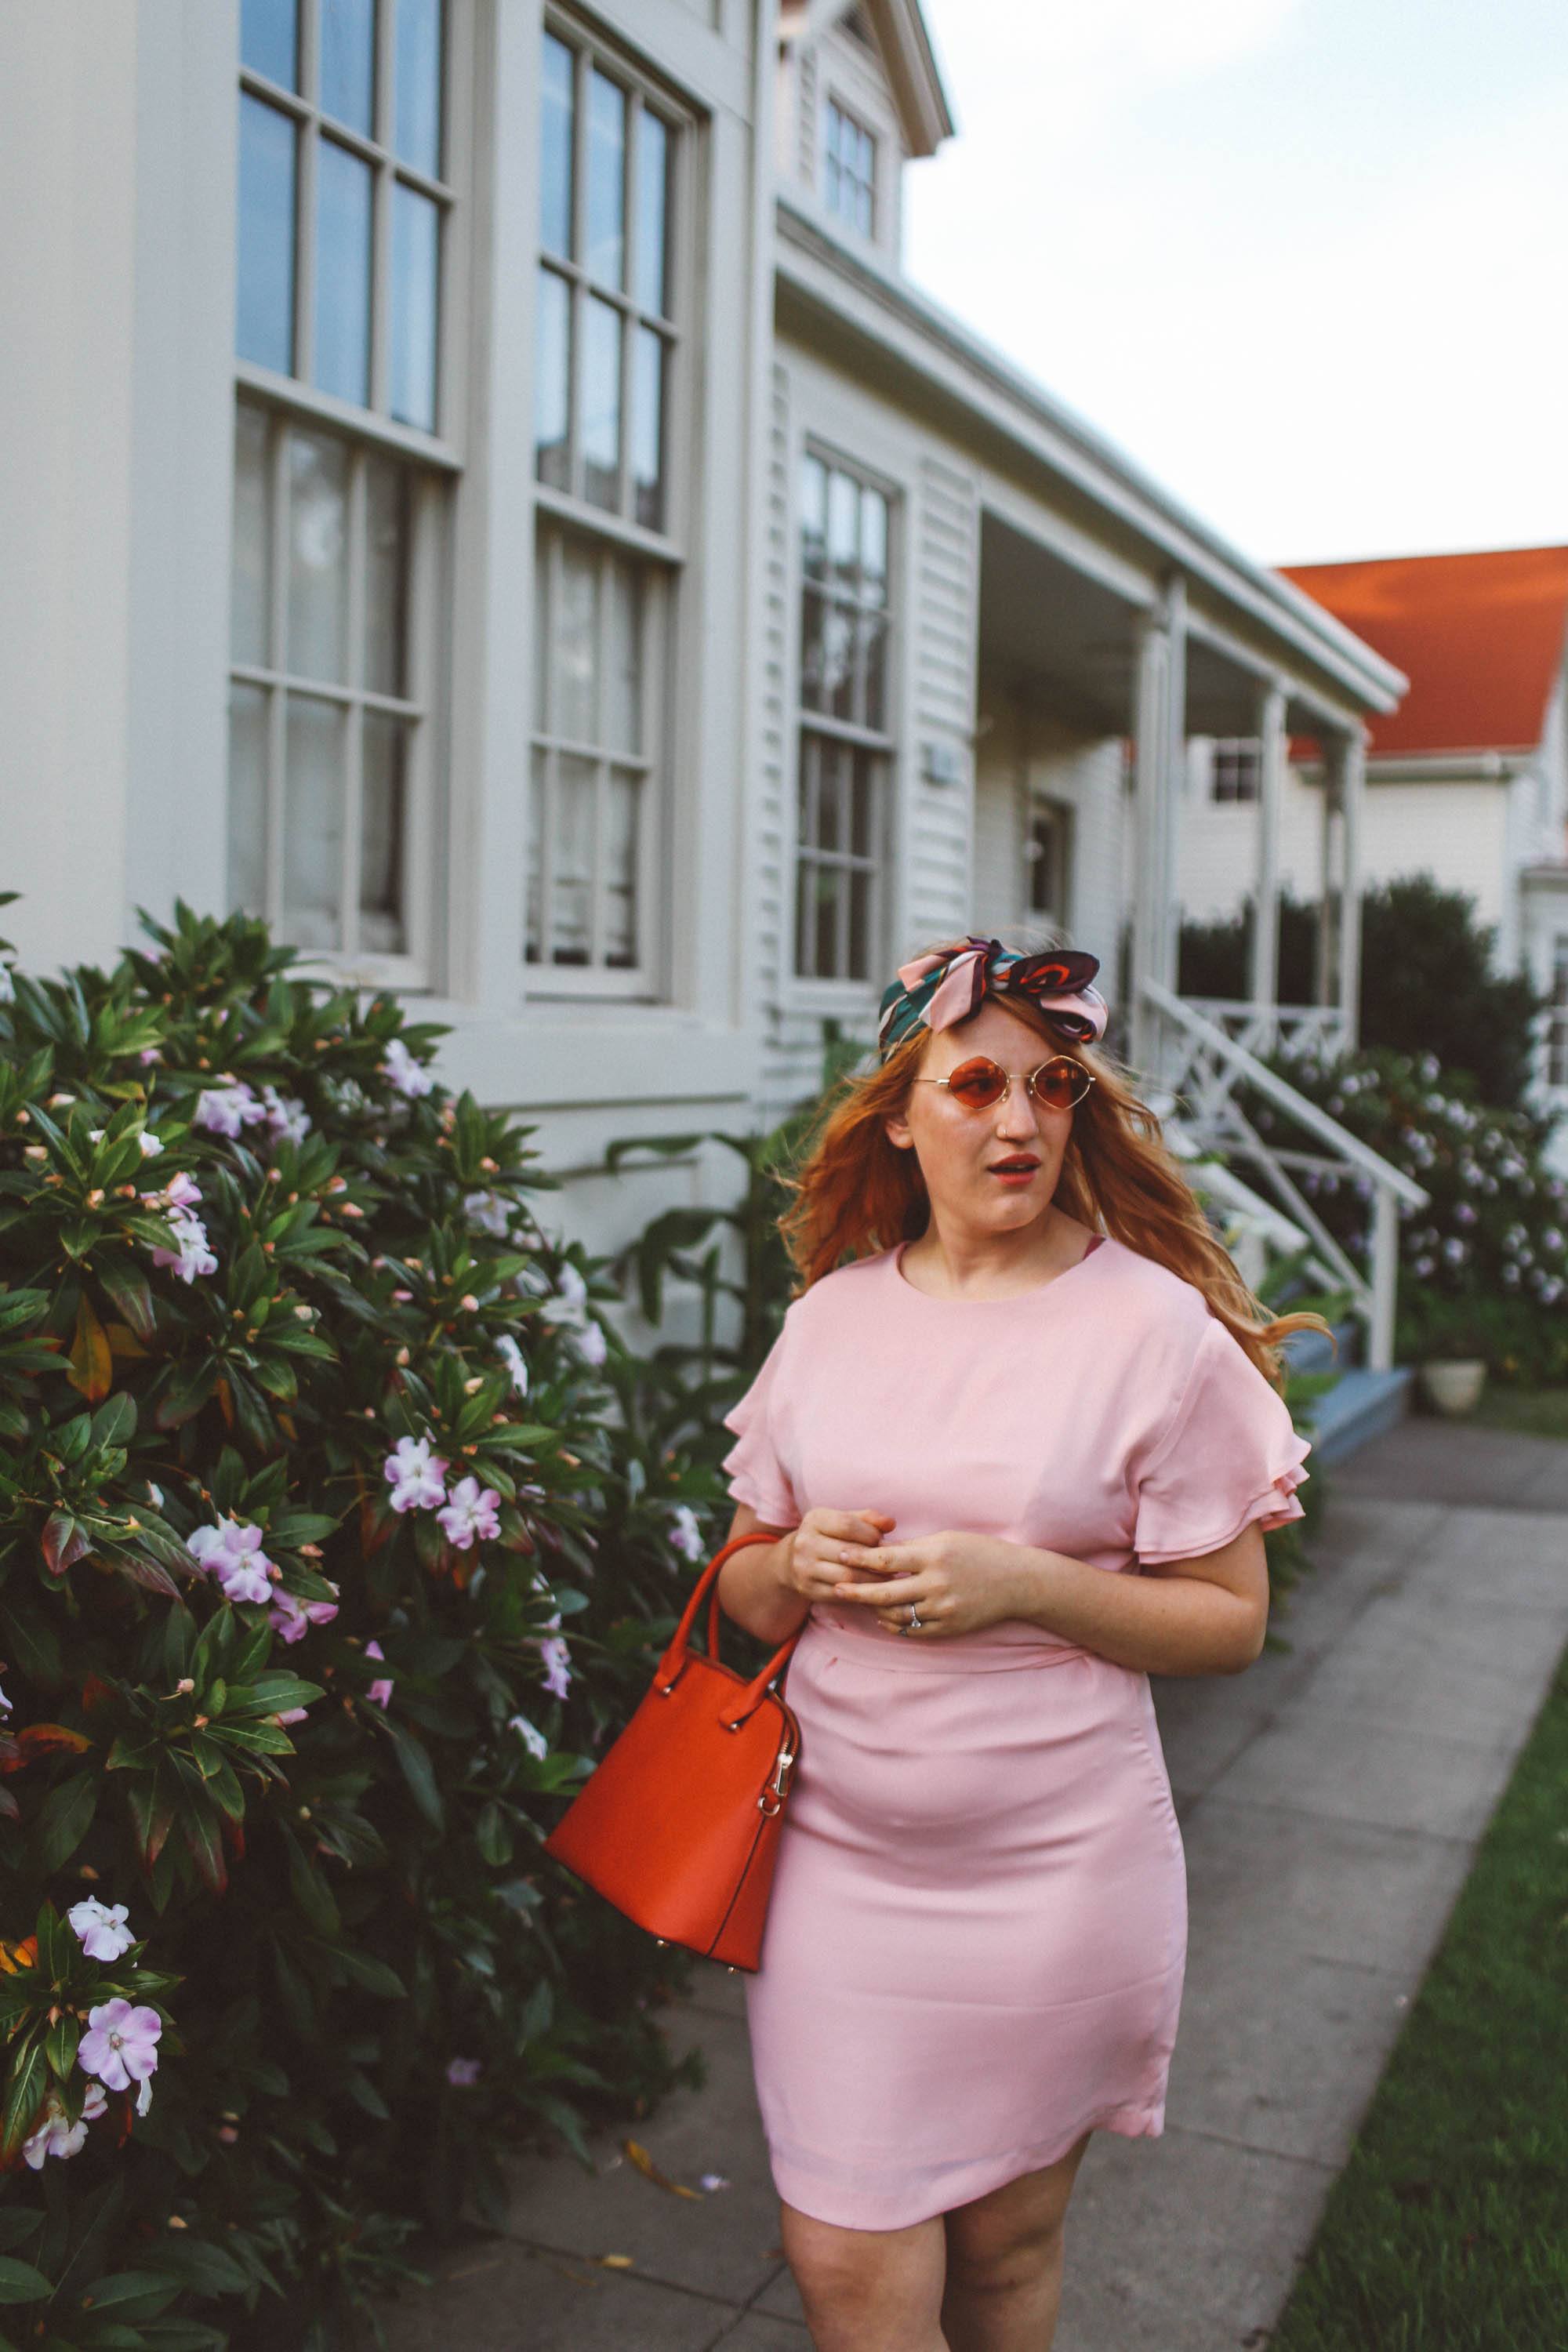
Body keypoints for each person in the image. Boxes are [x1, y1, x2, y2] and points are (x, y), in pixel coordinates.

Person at [714, 935, 1333, 2352]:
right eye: (976, 1084)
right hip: (838, 1875)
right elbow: (741, 1589)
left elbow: (1229, 1622)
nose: (1019, 1123)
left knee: (1005, 2259)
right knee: (843, 2264)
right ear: (897, 1112)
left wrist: (1026, 1587)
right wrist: (792, 1565)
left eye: (1052, 1087)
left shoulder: (1154, 1332)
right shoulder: (831, 1320)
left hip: (1059, 1878)